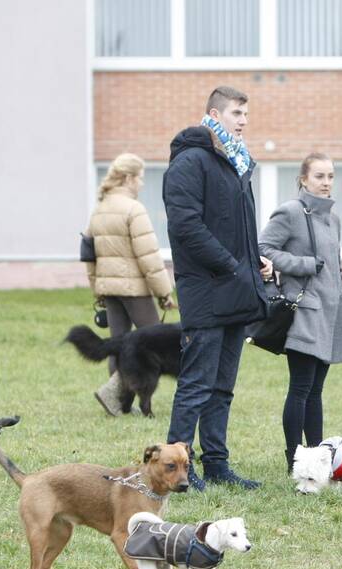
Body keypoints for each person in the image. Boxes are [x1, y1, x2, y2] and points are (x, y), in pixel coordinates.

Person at [162, 86, 271, 490]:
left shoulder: (236, 162)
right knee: (196, 384)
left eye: (246, 114)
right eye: (237, 113)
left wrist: (253, 256)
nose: (243, 120)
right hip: (207, 291)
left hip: (236, 288)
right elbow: (186, 227)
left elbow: (237, 227)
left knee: (222, 386)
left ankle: (217, 464)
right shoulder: (191, 161)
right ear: (214, 113)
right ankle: (177, 469)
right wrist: (230, 265)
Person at [259, 153, 342, 473]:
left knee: (316, 391)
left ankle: (317, 457)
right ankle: (294, 459)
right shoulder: (291, 211)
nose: (326, 183)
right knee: (300, 388)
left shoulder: (334, 217)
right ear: (303, 179)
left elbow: (334, 267)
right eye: (319, 177)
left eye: (330, 176)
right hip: (304, 311)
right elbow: (263, 249)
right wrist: (303, 266)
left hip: (331, 312)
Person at [87, 152, 174, 416]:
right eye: (140, 178)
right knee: (153, 343)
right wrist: (164, 292)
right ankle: (121, 399)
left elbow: (89, 256)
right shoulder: (133, 209)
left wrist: (97, 288)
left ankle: (117, 402)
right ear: (128, 178)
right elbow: (148, 256)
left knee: (119, 345)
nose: (142, 184)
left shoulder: (99, 210)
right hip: (134, 289)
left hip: (109, 289)